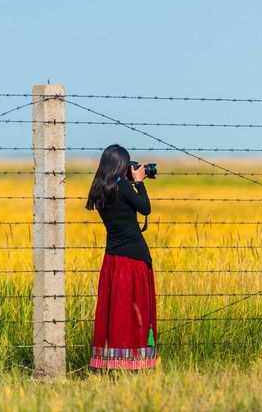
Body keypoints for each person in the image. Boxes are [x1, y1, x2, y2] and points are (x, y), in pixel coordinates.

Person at [86, 144, 157, 371]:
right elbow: (145, 209)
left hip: (113, 260)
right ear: (120, 165)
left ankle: (110, 361)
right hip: (134, 259)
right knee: (136, 313)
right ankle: (135, 362)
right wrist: (139, 183)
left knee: (115, 312)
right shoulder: (123, 187)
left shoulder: (99, 188)